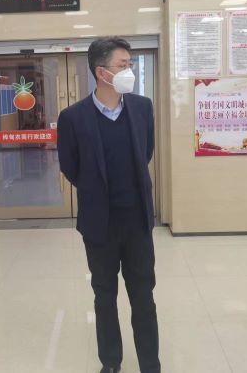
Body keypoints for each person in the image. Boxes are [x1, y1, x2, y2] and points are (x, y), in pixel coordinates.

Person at [57, 37, 160, 373]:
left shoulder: (142, 108)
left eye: (129, 64)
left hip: (137, 220)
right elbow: (70, 166)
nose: (129, 71)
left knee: (143, 295)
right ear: (102, 73)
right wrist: (96, 191)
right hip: (99, 223)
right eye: (123, 65)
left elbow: (145, 152)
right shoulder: (73, 117)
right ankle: (111, 362)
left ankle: (150, 363)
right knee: (104, 295)